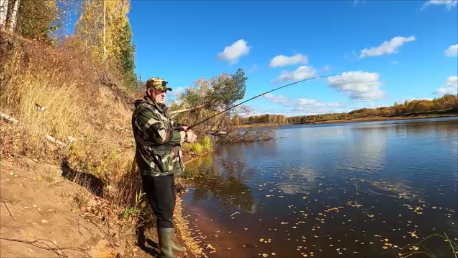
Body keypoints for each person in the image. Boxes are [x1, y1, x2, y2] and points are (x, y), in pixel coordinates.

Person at [131, 77, 197, 258]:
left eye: (165, 91)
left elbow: (168, 125)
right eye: (159, 91)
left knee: (169, 205)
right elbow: (161, 135)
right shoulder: (143, 111)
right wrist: (184, 137)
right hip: (154, 169)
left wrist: (181, 127)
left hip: (165, 166)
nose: (163, 94)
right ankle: (165, 253)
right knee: (163, 208)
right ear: (150, 91)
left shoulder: (158, 110)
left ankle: (169, 244)